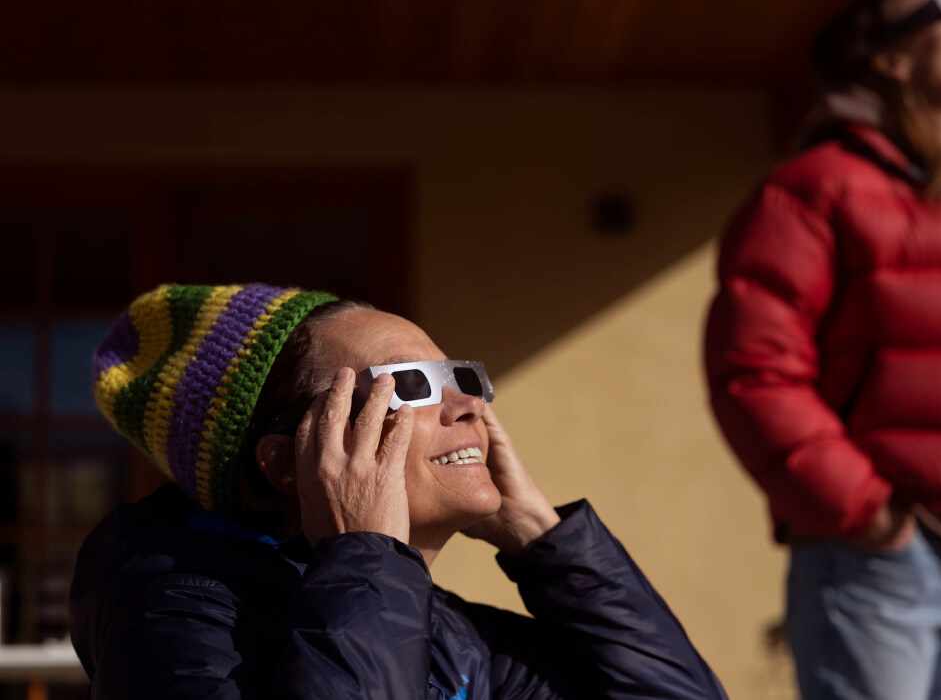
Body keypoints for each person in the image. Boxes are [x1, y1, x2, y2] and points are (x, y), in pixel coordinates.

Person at [70, 283, 727, 699]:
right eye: (409, 383)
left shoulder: (440, 628)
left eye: (459, 375)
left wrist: (545, 540)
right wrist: (365, 552)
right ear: (285, 465)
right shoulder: (175, 624)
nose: (467, 403)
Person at [704, 0, 941, 700]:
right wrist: (868, 513)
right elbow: (753, 367)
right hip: (886, 559)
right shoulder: (816, 188)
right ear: (892, 59)